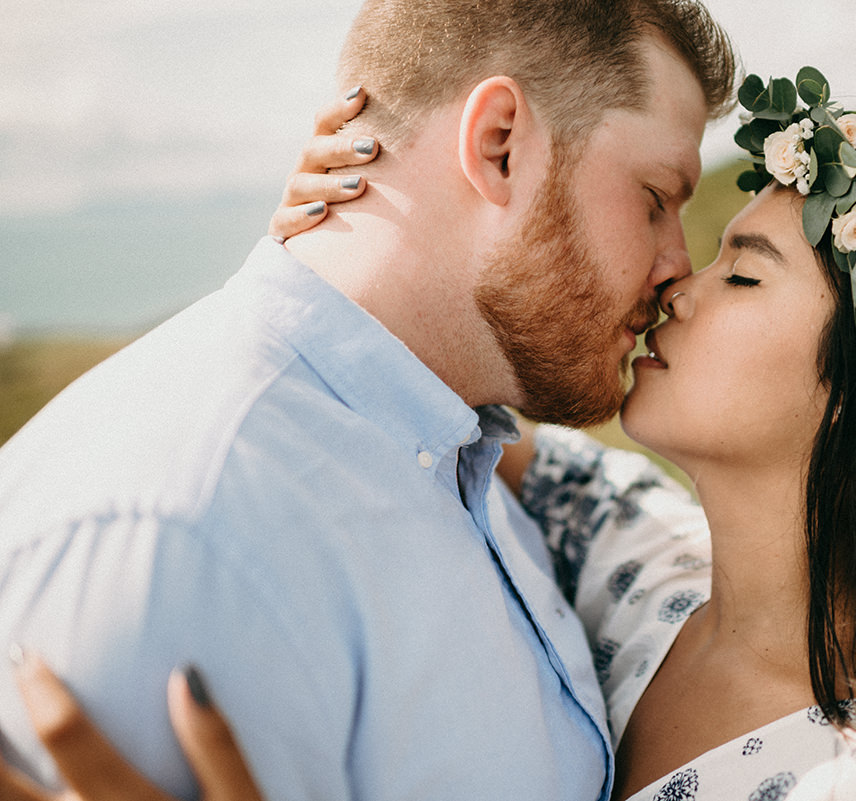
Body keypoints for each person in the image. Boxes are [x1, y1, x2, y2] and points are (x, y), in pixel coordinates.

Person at [1, 68, 856, 801]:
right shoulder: (637, 551)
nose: (676, 282)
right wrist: (359, 233)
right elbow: (418, 399)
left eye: (742, 272)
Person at [0, 2, 737, 800]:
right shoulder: (185, 539)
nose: (679, 266)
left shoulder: (469, 458)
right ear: (498, 147)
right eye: (657, 196)